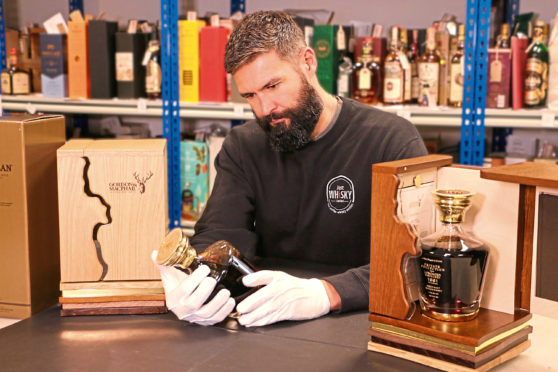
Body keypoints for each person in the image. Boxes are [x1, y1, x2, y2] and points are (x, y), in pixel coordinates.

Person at [152, 11, 427, 327]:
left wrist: (325, 293)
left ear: (308, 62)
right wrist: (193, 284)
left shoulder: (390, 140)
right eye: (251, 96)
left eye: (272, 85)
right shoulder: (244, 146)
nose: (264, 109)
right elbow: (220, 234)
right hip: (268, 320)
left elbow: (413, 259)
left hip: (362, 320)